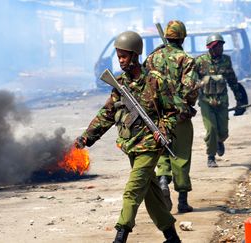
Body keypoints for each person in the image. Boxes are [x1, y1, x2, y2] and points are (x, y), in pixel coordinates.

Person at [75, 30, 181, 243]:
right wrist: (87, 137)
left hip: (150, 146)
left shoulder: (154, 80)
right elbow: (108, 113)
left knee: (132, 191)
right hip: (132, 145)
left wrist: (164, 131)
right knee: (151, 193)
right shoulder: (120, 84)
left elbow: (172, 111)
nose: (120, 60)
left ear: (135, 55)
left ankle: (121, 236)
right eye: (118, 56)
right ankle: (171, 237)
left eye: (124, 56)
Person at [144, 20, 198, 213]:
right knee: (181, 157)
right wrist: (185, 105)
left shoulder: (152, 58)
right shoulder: (187, 60)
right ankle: (182, 201)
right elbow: (191, 90)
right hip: (179, 116)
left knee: (163, 153)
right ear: (182, 37)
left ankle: (164, 182)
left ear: (166, 36)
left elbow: (144, 84)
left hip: (157, 116)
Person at [195, 33, 247, 168]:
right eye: (218, 46)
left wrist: (239, 99)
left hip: (222, 101)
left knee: (223, 131)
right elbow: (192, 82)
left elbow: (232, 80)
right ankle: (211, 156)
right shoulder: (200, 61)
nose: (221, 49)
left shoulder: (226, 61)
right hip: (206, 102)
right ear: (211, 48)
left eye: (222, 46)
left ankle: (220, 141)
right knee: (211, 129)